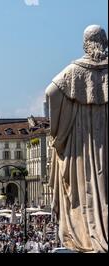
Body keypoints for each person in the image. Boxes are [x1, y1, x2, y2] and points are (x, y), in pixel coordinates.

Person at [45, 25, 108, 253]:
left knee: (85, 188)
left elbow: (51, 92)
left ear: (85, 43)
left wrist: (59, 130)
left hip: (81, 143)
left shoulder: (74, 71)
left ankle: (85, 234)